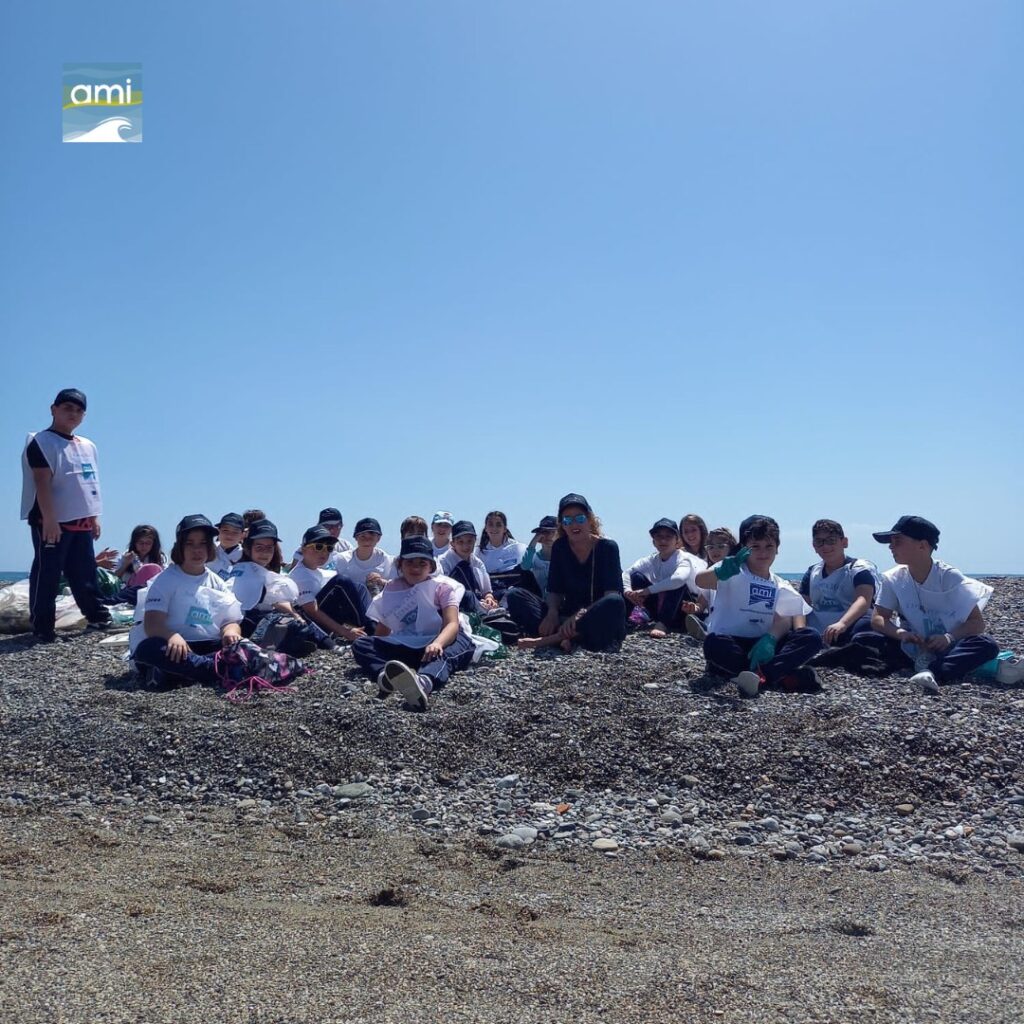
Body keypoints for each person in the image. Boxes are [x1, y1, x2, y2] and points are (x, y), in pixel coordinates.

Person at [865, 516, 999, 694]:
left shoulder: (948, 577)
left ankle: (932, 671)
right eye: (891, 542)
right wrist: (901, 634)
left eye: (897, 541)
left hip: (951, 646)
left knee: (986, 644)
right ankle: (931, 668)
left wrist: (948, 638)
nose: (891, 546)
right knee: (865, 637)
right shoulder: (893, 578)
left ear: (923, 545)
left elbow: (976, 623)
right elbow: (879, 618)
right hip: (912, 644)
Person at [20, 387, 111, 641]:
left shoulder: (88, 445)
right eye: (67, 408)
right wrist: (49, 519)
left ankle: (97, 617)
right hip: (52, 521)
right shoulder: (42, 441)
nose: (73, 413)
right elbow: (42, 481)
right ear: (54, 409)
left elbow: (87, 482)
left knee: (84, 572)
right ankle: (43, 627)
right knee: (48, 573)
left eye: (79, 410)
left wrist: (93, 516)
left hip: (81, 521)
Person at [694, 515, 822, 696]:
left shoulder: (778, 583)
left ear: (777, 549)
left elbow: (785, 617)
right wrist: (721, 572)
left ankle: (759, 675)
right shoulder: (732, 569)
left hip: (761, 645)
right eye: (755, 546)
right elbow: (700, 580)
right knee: (713, 643)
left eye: (769, 546)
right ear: (745, 548)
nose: (763, 552)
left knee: (811, 637)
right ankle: (774, 676)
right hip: (732, 641)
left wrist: (770, 638)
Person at [352, 536, 475, 711]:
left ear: (431, 566)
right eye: (409, 562)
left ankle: (423, 683)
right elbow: (383, 629)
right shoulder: (392, 590)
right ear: (400, 565)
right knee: (361, 644)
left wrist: (437, 643)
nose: (415, 568)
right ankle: (385, 676)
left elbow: (452, 624)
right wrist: (376, 649)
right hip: (411, 643)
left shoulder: (443, 587)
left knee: (444, 654)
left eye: (422, 563)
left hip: (443, 639)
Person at [132, 514, 245, 685]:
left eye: (203, 544)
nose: (197, 550)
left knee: (240, 646)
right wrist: (171, 636)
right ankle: (213, 669)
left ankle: (191, 672)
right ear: (180, 547)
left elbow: (230, 619)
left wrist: (230, 632)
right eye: (190, 544)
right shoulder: (165, 579)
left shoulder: (216, 581)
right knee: (148, 649)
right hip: (174, 645)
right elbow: (152, 625)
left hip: (205, 643)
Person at [511, 493, 626, 653]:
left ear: (590, 519)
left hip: (595, 617)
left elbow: (611, 593)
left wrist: (579, 616)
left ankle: (550, 640)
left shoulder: (607, 547)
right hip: (565, 616)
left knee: (615, 602)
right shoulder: (560, 547)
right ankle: (569, 637)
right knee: (516, 595)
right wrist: (552, 613)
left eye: (579, 518)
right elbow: (554, 590)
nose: (573, 524)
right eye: (567, 520)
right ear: (562, 525)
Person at [226, 519, 334, 656]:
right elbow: (278, 601)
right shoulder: (257, 573)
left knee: (293, 620)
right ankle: (327, 644)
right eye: (259, 547)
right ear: (248, 548)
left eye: (269, 548)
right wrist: (295, 615)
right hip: (244, 625)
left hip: (240, 625)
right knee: (296, 621)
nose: (265, 553)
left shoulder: (236, 569)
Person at [798, 519, 878, 646]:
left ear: (844, 542)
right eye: (820, 542)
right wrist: (800, 631)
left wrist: (842, 624)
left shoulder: (859, 569)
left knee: (866, 625)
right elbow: (801, 605)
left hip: (849, 625)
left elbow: (863, 600)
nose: (825, 546)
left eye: (831, 541)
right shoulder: (813, 571)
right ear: (814, 546)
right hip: (818, 630)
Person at [623, 518, 706, 639]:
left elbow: (678, 579)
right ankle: (622, 618)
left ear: (677, 541)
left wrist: (647, 590)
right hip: (661, 605)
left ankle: (663, 624)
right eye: (659, 536)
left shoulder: (683, 558)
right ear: (653, 541)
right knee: (636, 577)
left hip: (686, 608)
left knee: (676, 584)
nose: (663, 540)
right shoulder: (652, 559)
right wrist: (627, 590)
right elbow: (628, 572)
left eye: (668, 537)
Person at [288, 524, 373, 641]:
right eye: (318, 547)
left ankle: (373, 626)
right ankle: (371, 631)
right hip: (310, 624)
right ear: (303, 549)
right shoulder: (300, 575)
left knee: (358, 587)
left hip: (327, 619)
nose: (324, 552)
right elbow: (312, 611)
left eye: (329, 548)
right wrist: (346, 632)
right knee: (341, 582)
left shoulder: (321, 572)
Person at [685, 526, 741, 641]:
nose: (715, 550)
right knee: (706, 621)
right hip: (714, 620)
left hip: (734, 620)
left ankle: (709, 634)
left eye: (721, 546)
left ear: (731, 548)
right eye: (710, 547)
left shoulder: (740, 572)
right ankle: (706, 631)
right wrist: (694, 608)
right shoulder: (709, 574)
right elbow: (701, 604)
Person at [438, 520, 498, 614]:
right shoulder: (443, 562)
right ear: (452, 543)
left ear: (475, 541)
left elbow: (486, 591)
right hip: (454, 605)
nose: (465, 546)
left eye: (469, 541)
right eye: (460, 542)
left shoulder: (477, 563)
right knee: (466, 593)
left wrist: (489, 598)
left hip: (477, 601)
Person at [101, 524, 165, 606]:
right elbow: (114, 579)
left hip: (150, 592)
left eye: (148, 543)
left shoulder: (159, 558)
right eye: (140, 542)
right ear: (134, 542)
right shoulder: (126, 555)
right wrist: (125, 564)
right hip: (129, 591)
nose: (144, 546)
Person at [334, 518, 394, 594]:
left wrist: (381, 582)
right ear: (356, 538)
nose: (367, 540)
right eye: (363, 536)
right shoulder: (341, 559)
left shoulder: (387, 560)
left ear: (378, 538)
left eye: (371, 536)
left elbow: (399, 586)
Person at [479, 510, 528, 599]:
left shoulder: (519, 548)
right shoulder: (478, 552)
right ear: (486, 528)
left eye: (498, 525)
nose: (494, 528)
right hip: (491, 592)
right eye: (490, 524)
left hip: (514, 591)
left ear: (505, 529)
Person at [287, 507, 352, 569]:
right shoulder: (307, 548)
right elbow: (295, 571)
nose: (332, 529)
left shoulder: (346, 546)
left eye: (337, 526)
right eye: (327, 526)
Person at [519, 515, 557, 596]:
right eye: (545, 532)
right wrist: (534, 541)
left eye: (553, 532)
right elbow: (525, 566)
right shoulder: (534, 558)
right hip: (539, 599)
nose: (549, 536)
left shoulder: (564, 558)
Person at [207, 513, 245, 579]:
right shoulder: (208, 550)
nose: (229, 535)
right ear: (218, 531)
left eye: (235, 532)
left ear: (242, 535)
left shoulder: (246, 555)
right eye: (225, 530)